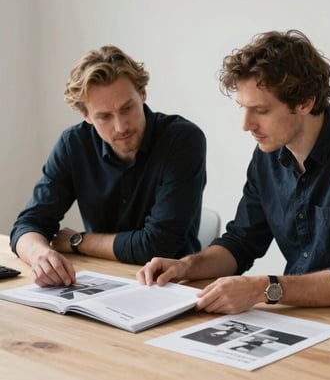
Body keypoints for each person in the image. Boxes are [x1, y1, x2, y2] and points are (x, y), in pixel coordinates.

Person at [137, 30, 330, 313]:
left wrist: (263, 288)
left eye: (260, 110)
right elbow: (242, 242)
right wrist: (185, 265)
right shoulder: (267, 156)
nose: (246, 124)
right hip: (303, 318)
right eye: (243, 108)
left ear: (305, 102)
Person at [10, 45, 206, 287]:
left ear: (142, 94)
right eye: (104, 116)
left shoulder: (182, 140)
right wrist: (40, 254)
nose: (121, 126)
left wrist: (78, 242)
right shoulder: (74, 144)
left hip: (171, 285)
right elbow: (28, 224)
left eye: (127, 108)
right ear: (86, 115)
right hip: (103, 279)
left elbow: (158, 246)